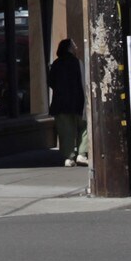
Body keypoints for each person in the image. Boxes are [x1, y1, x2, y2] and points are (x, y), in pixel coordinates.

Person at [47, 38, 87, 167]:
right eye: (74, 45)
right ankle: (82, 153)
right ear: (70, 47)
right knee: (84, 127)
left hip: (61, 103)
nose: (76, 47)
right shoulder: (78, 63)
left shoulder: (56, 64)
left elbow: (50, 82)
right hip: (78, 101)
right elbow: (84, 82)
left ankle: (68, 157)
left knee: (66, 131)